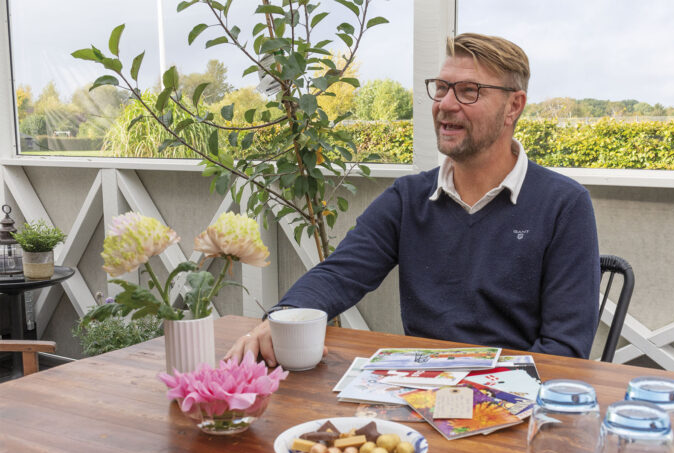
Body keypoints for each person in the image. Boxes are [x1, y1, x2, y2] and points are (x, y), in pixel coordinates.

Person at [226, 33, 600, 365]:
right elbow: (340, 273)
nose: (446, 104)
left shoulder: (564, 206)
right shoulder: (409, 199)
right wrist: (284, 317)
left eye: (468, 91)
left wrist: (482, 398)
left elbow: (563, 351)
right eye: (441, 87)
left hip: (514, 408)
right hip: (417, 395)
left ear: (514, 106)